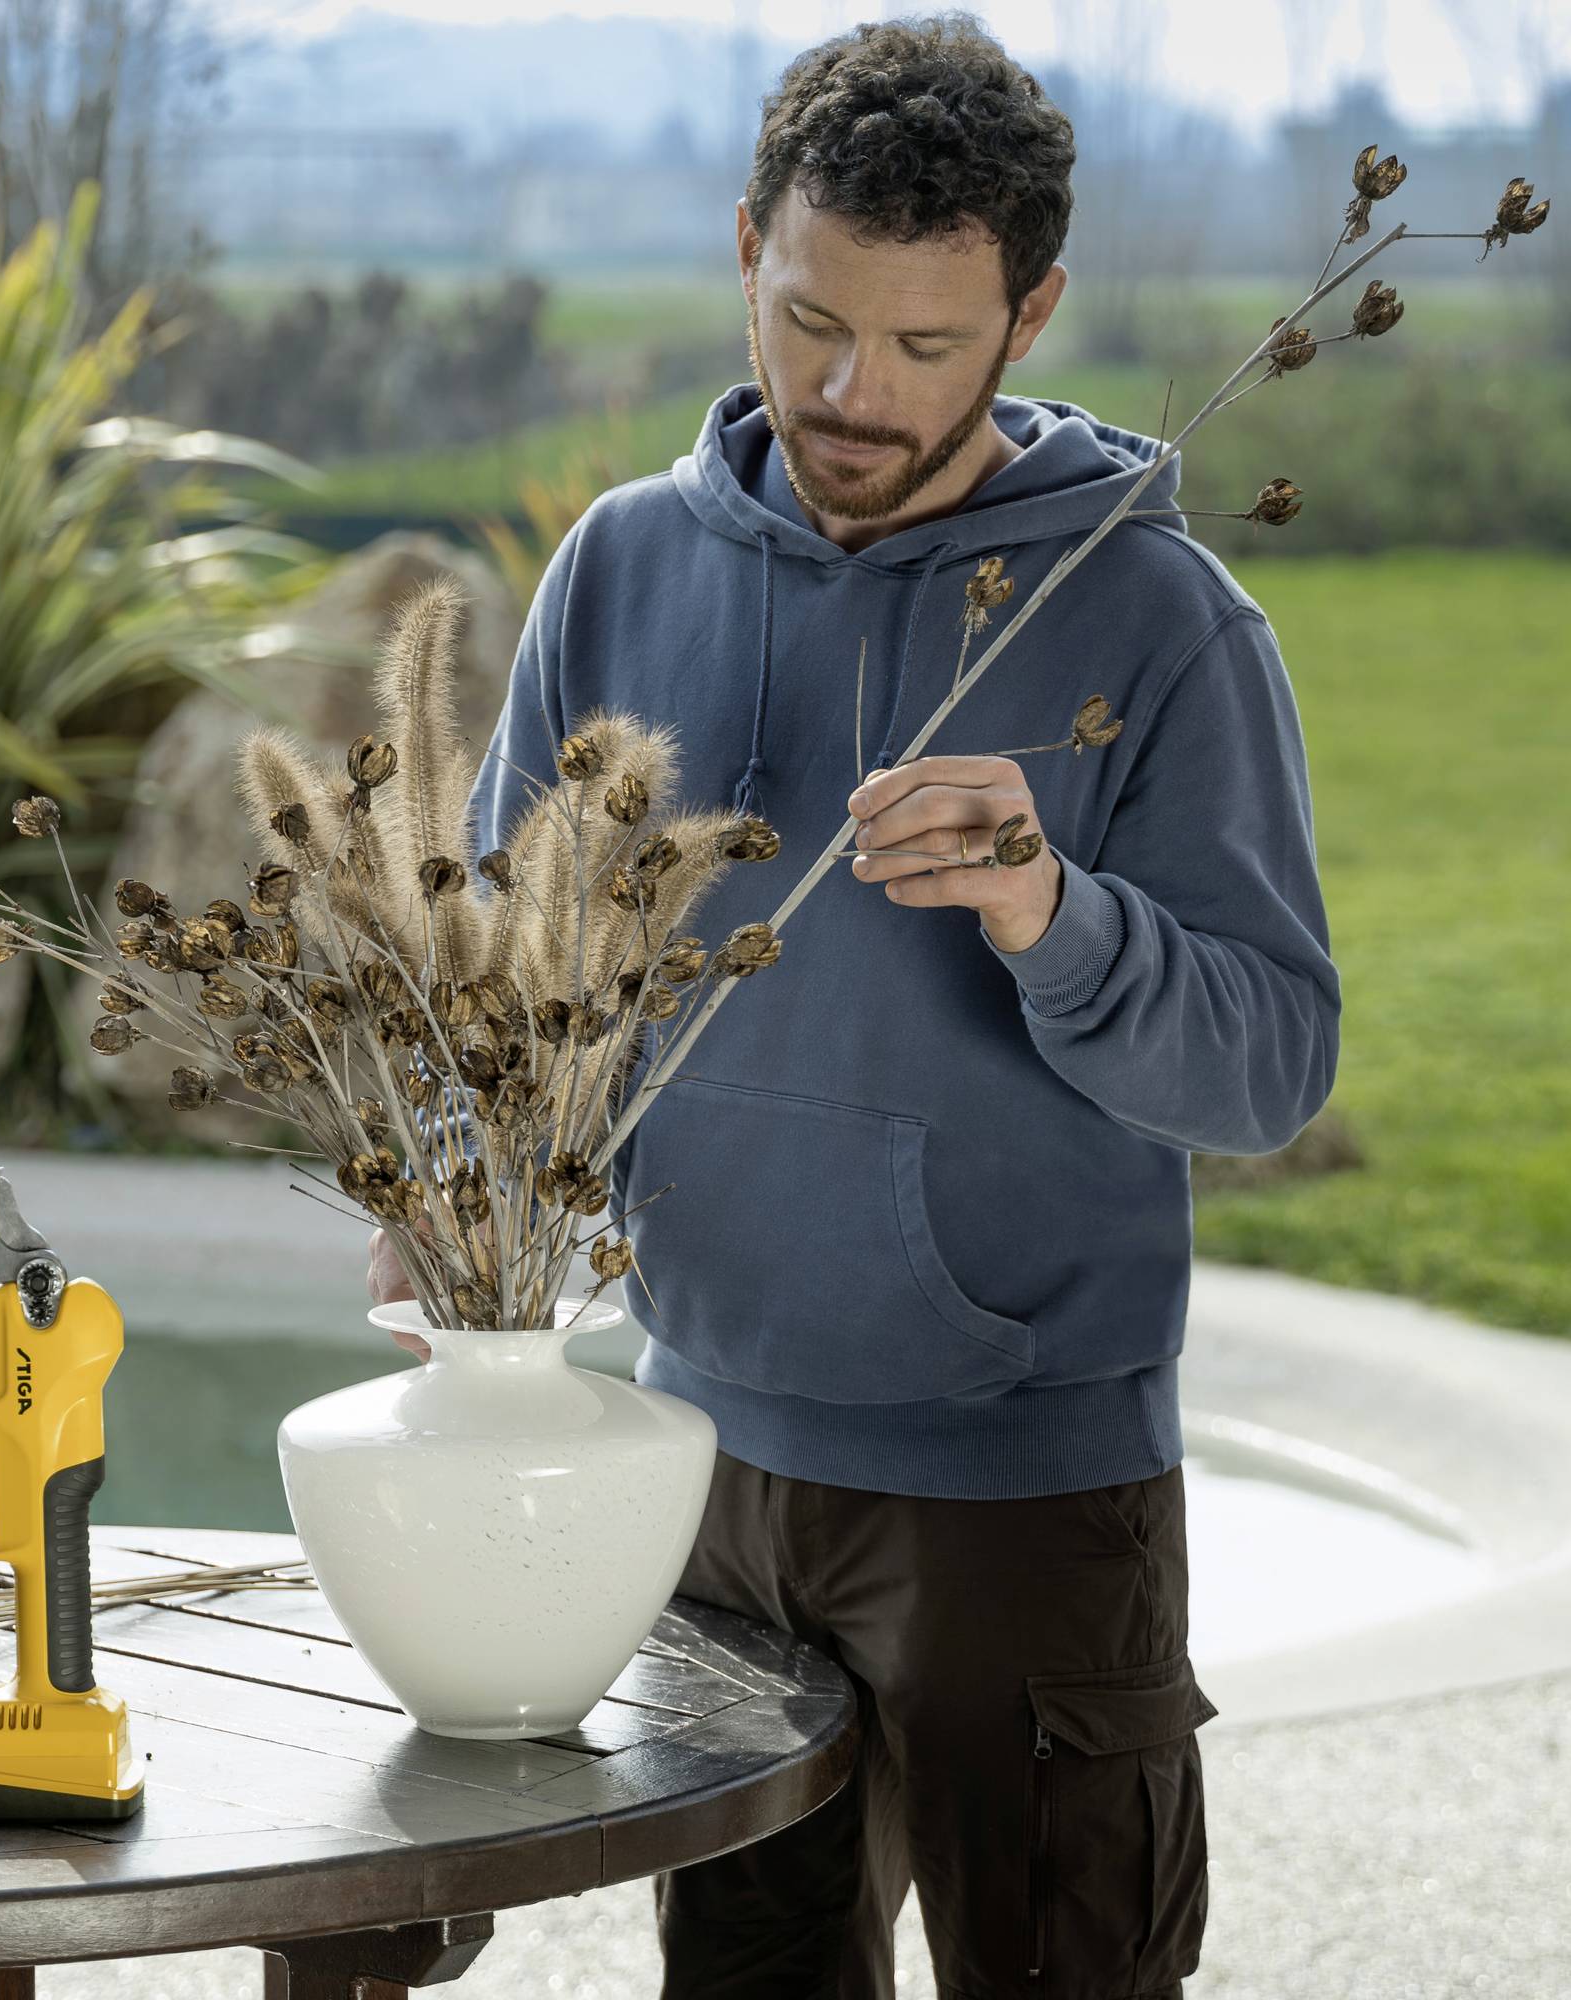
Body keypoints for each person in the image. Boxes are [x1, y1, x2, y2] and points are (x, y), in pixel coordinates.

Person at [366, 14, 1338, 1996]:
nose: (848, 391)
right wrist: (456, 1179)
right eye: (810, 320)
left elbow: (1267, 1065)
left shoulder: (1155, 625)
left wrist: (1054, 910)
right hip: (701, 1480)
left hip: (1025, 1497)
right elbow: (497, 976)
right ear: (747, 247)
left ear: (1032, 313)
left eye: (920, 347)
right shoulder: (624, 569)